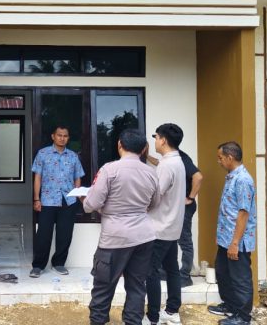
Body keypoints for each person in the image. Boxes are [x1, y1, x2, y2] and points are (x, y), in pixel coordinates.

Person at [82, 129, 158, 325]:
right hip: (143, 236)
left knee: (103, 287)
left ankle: (98, 321)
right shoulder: (151, 172)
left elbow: (91, 204)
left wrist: (86, 199)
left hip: (114, 238)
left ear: (119, 145)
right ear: (143, 149)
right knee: (137, 287)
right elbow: (154, 204)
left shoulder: (109, 170)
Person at [207, 141, 257, 325]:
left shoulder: (243, 180)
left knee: (240, 279)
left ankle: (243, 317)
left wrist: (235, 242)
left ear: (230, 157)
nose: (219, 161)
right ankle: (230, 306)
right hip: (225, 238)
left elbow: (243, 213)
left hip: (237, 241)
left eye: (220, 158)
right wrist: (222, 236)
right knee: (222, 272)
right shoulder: (232, 177)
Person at [30, 125, 85, 278]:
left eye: (65, 136)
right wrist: (36, 198)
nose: (62, 138)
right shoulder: (43, 154)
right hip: (47, 200)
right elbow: (38, 177)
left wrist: (77, 194)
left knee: (65, 234)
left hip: (68, 200)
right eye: (59, 135)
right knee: (43, 234)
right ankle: (38, 266)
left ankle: (59, 263)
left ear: (68, 138)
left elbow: (77, 177)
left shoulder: (73, 156)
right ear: (53, 136)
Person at [146, 123, 187, 325]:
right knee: (172, 269)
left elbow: (155, 197)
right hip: (172, 226)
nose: (155, 141)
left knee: (150, 271)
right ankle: (172, 311)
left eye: (156, 137)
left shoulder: (166, 165)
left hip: (159, 227)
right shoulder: (177, 161)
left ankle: (153, 316)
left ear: (163, 140)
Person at [149, 150, 204, 287]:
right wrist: (147, 156)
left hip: (185, 207)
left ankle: (185, 275)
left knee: (184, 241)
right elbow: (158, 162)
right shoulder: (169, 160)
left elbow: (198, 177)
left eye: (158, 139)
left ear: (165, 141)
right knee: (170, 237)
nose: (156, 141)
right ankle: (165, 272)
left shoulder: (181, 158)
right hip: (177, 206)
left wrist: (190, 198)